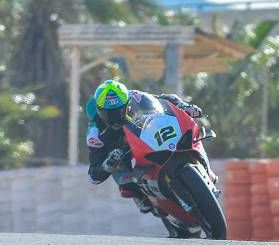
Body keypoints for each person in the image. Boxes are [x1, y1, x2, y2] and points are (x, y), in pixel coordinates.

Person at [86, 79, 214, 218]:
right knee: (125, 180)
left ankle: (206, 169)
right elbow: (93, 176)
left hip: (147, 137)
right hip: (124, 153)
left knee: (190, 135)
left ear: (127, 103)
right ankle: (139, 196)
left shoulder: (135, 96)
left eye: (118, 110)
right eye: (108, 113)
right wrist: (108, 164)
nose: (115, 117)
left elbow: (165, 99)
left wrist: (184, 106)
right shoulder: (95, 134)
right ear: (99, 111)